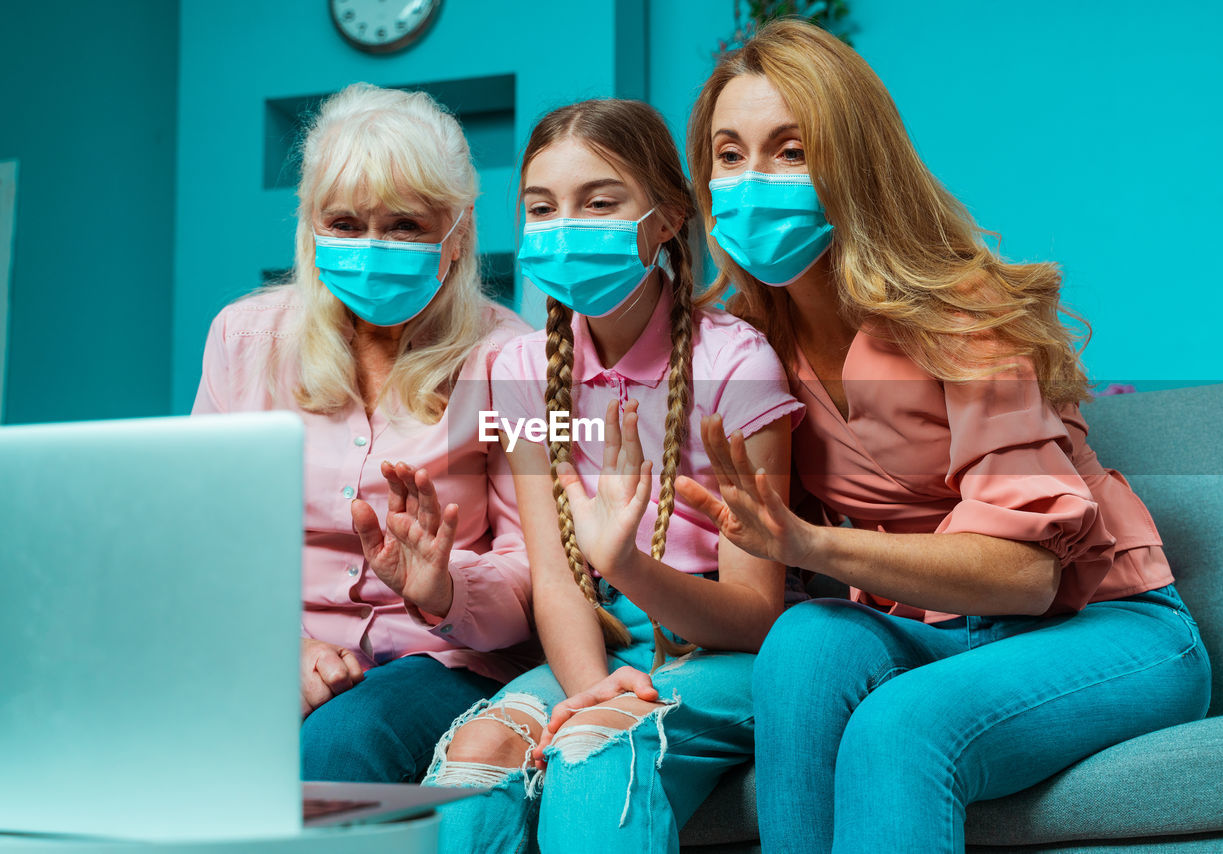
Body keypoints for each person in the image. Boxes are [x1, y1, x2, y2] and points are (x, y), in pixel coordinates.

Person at [678, 19, 1212, 853]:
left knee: (901, 726)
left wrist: (810, 543)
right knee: (807, 640)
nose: (753, 181)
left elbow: (1030, 576)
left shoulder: (959, 316)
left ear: (854, 163)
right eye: (730, 154)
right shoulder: (751, 351)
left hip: (1107, 627)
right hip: (948, 634)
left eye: (790, 151)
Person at [421, 98, 805, 852]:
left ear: (664, 219)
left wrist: (624, 563)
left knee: (595, 746)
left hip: (727, 652)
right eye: (542, 207)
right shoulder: (521, 368)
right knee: (476, 758)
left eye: (599, 203)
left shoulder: (739, 363)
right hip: (599, 641)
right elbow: (558, 580)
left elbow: (755, 614)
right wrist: (590, 683)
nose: (566, 227)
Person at [192, 83, 535, 784]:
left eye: (405, 225)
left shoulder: (511, 357)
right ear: (309, 226)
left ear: (459, 230)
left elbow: (539, 573)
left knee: (341, 742)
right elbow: (207, 540)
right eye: (344, 224)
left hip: (439, 660)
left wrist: (444, 589)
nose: (372, 248)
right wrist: (278, 648)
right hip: (274, 650)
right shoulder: (244, 338)